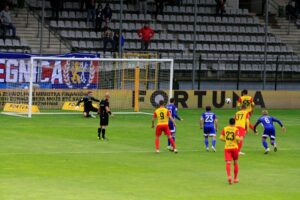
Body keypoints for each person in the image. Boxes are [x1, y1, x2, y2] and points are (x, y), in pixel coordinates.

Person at [220, 118, 240, 184]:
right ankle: (235, 178)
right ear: (235, 123)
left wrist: (226, 141)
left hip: (227, 147)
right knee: (235, 162)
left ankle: (229, 176)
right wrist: (238, 141)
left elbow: (220, 138)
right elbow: (237, 138)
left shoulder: (225, 128)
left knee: (228, 162)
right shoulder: (236, 129)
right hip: (234, 147)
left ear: (229, 123)